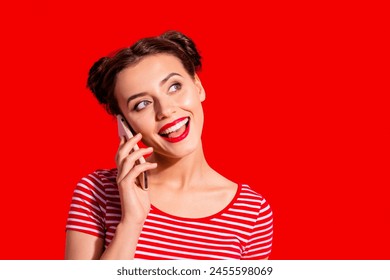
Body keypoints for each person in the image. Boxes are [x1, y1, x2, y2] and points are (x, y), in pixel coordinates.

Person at [65, 31, 273, 260]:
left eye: (174, 87)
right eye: (142, 104)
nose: (165, 110)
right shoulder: (97, 192)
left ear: (198, 86)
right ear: (125, 122)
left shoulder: (252, 213)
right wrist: (132, 222)